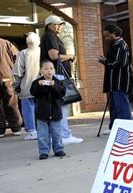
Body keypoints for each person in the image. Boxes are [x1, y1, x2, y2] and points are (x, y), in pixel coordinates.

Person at [41, 15, 83, 145]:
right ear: (49, 25)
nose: (59, 26)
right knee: (62, 107)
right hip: (58, 75)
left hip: (56, 75)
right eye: (56, 24)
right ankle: (64, 136)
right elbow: (54, 56)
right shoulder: (50, 36)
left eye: (60, 24)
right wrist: (70, 56)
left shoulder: (50, 36)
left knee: (60, 107)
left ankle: (61, 135)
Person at [99, 24, 133, 135]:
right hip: (113, 82)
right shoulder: (115, 45)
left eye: (108, 36)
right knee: (114, 106)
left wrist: (105, 61)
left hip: (120, 81)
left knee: (122, 105)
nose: (106, 38)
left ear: (114, 33)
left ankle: (126, 129)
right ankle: (113, 127)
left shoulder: (121, 45)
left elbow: (120, 62)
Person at [30, 60, 66, 160]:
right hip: (42, 114)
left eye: (51, 69)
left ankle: (58, 149)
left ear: (54, 70)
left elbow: (61, 93)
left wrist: (53, 85)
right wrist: (39, 85)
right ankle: (43, 151)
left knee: (57, 133)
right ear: (41, 71)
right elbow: (33, 92)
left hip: (55, 113)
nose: (48, 71)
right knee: (42, 134)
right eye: (46, 69)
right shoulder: (37, 82)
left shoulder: (58, 82)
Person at [0, 25, 22, 138]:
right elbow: (17, 57)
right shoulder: (7, 43)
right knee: (12, 102)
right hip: (8, 77)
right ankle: (16, 127)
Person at [12, 32, 41, 140]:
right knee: (40, 109)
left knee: (28, 110)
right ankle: (41, 129)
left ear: (27, 42)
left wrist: (15, 86)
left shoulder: (23, 53)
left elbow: (17, 72)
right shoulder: (42, 52)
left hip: (27, 86)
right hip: (41, 87)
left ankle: (32, 131)